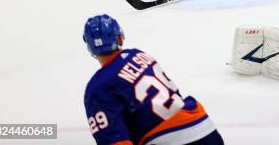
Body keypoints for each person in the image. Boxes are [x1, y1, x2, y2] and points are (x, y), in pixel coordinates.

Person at [83, 14, 223, 145]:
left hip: (167, 139)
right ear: (119, 38)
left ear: (90, 48)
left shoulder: (97, 88)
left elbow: (116, 141)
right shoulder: (139, 55)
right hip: (205, 128)